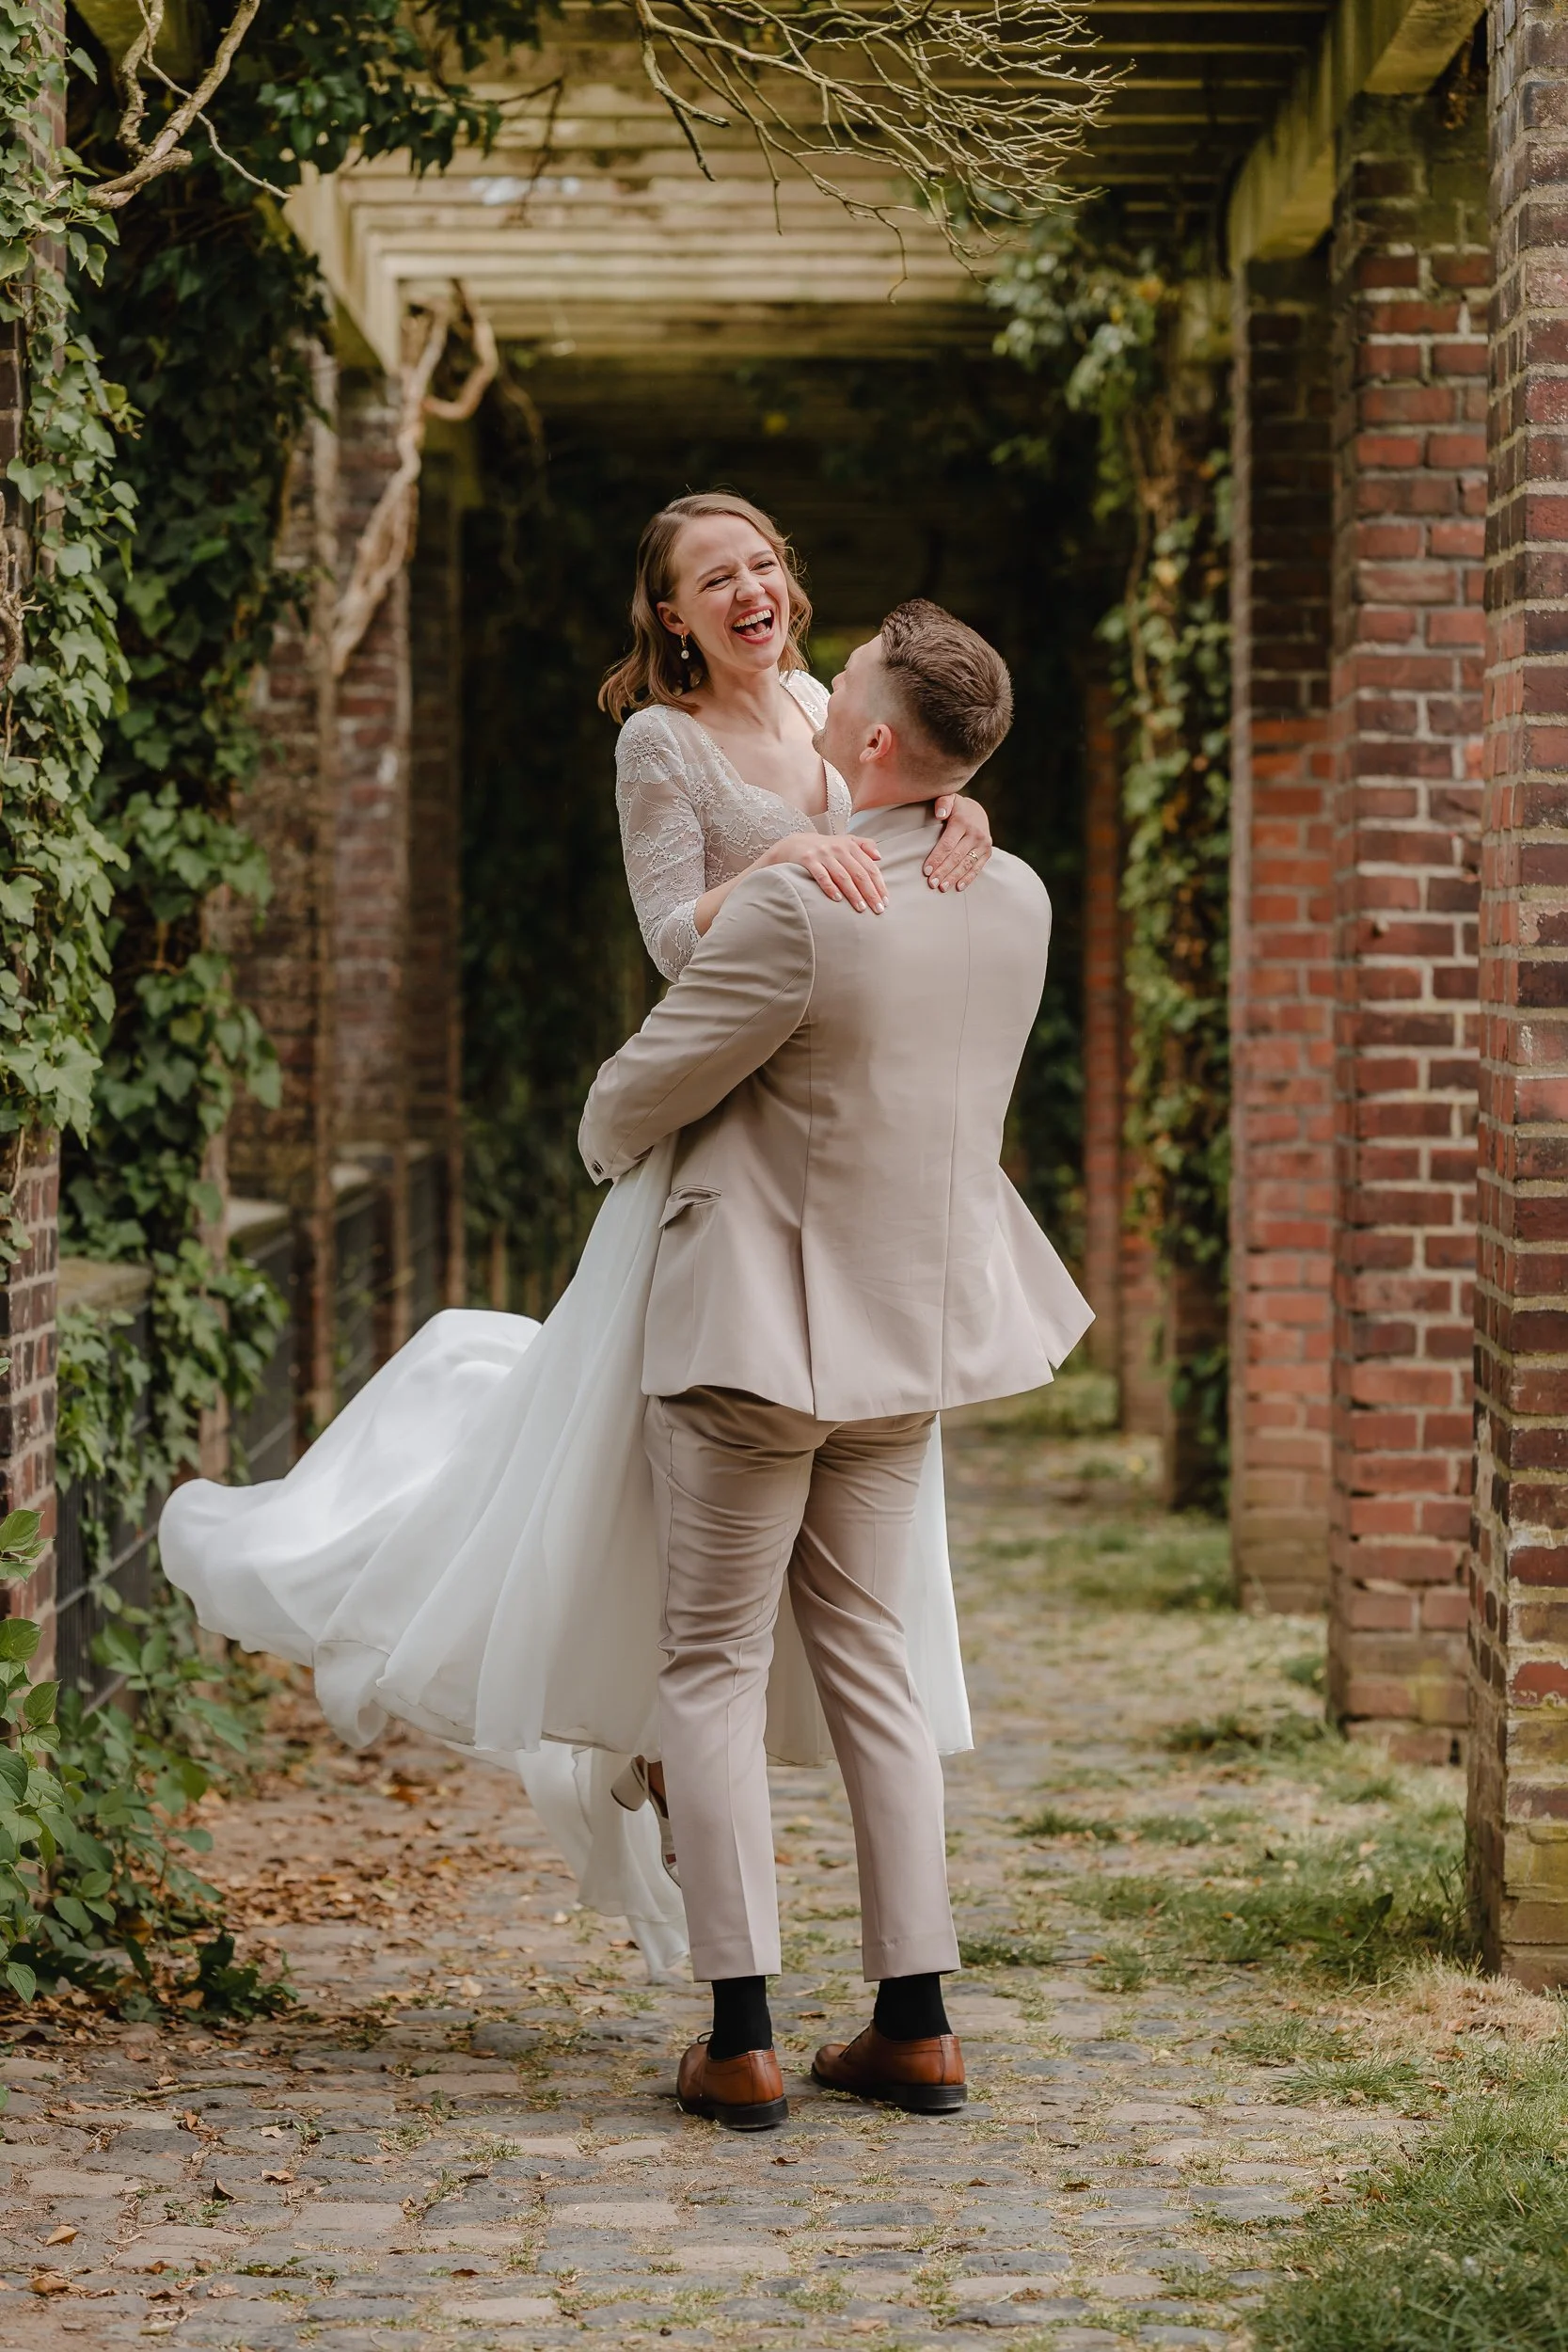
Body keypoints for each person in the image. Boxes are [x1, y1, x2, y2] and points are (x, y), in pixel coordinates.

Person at [156, 496, 1008, 1975]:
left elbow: (900, 796)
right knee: (642, 1506)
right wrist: (781, 868)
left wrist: (955, 811)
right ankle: (690, 1779)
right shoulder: (659, 746)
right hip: (717, 1159)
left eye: (763, 563)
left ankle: (731, 1918)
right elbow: (676, 941)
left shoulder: (833, 709)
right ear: (669, 615)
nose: (752, 590)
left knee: (760, 1588)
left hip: (824, 1183)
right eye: (712, 578)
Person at [578, 598, 1093, 2129]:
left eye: (847, 675)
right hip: (907, 1336)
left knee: (710, 1670)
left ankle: (738, 2034)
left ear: (872, 737)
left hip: (750, 1340)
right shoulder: (1013, 898)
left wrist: (603, 1134)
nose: (821, 680)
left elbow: (646, 1082)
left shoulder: (806, 910)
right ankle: (914, 2020)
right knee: (877, 1666)